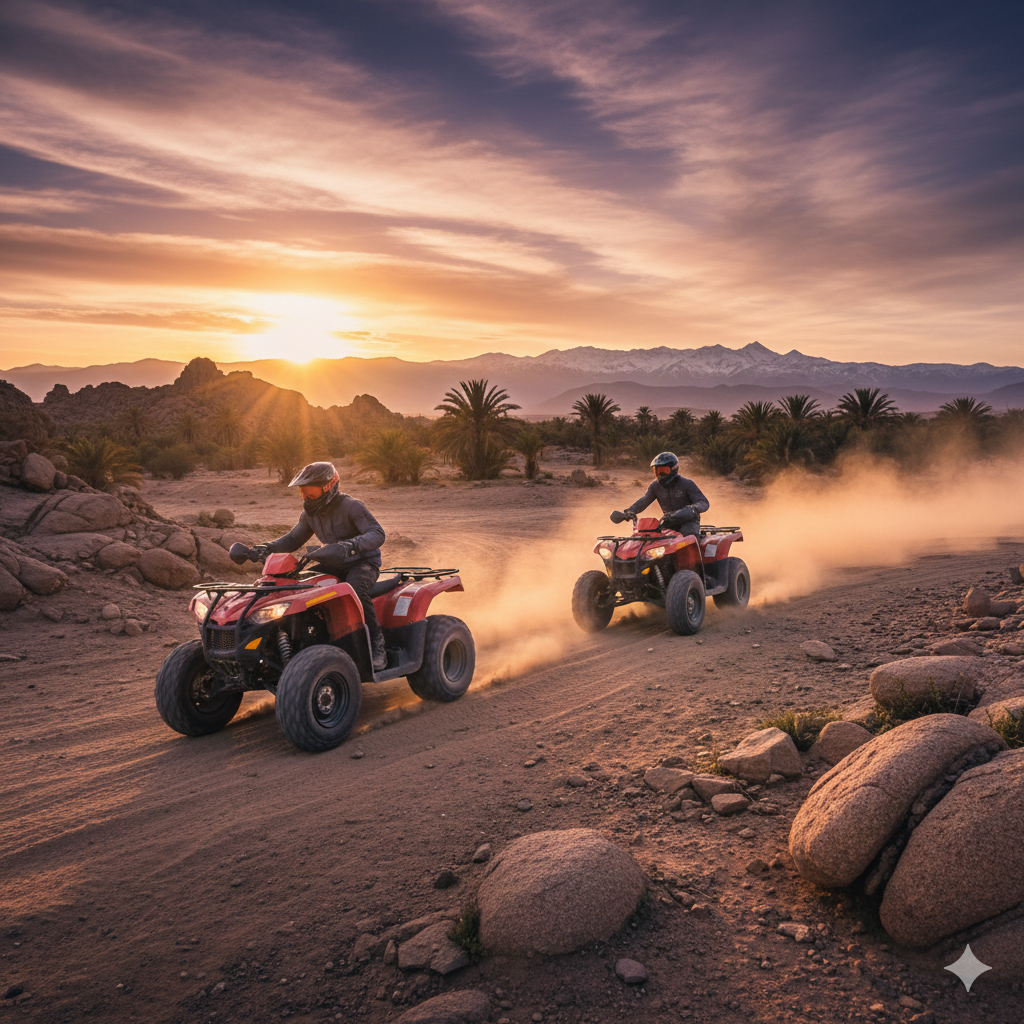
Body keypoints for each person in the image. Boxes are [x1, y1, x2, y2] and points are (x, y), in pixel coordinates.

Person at [254, 462, 388, 671]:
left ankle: (377, 646)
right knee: (301, 586)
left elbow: (377, 534)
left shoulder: (352, 506)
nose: (305, 495)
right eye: (302, 491)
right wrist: (264, 548)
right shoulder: (310, 514)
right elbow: (292, 540)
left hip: (363, 563)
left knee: (355, 589)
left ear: (328, 486)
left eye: (310, 490)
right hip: (333, 564)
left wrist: (350, 546)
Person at [620, 452, 709, 535]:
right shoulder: (655, 486)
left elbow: (703, 502)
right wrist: (629, 512)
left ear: (673, 468)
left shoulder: (686, 484)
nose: (660, 474)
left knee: (687, 539)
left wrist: (693, 508)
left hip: (688, 522)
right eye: (656, 470)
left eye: (663, 470)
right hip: (668, 522)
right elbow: (644, 500)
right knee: (651, 538)